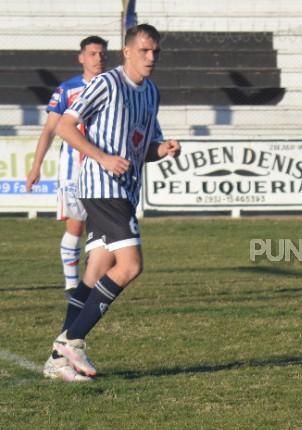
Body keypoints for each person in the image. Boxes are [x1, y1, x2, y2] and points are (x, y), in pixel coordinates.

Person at [41, 24, 181, 382]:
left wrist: (160, 150)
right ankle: (74, 340)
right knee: (131, 265)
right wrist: (102, 157)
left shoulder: (151, 93)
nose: (152, 57)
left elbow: (141, 147)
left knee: (95, 272)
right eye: (145, 50)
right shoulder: (106, 84)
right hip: (102, 188)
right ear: (128, 51)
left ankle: (57, 359)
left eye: (156, 52)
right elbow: (65, 127)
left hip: (125, 191)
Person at [26, 36, 109, 297]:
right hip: (74, 168)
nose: (98, 59)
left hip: (104, 167)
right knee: (76, 225)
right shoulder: (68, 90)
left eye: (101, 54)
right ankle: (72, 285)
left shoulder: (114, 86)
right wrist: (36, 165)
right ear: (81, 57)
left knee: (104, 227)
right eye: (92, 54)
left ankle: (94, 280)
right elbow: (50, 129)